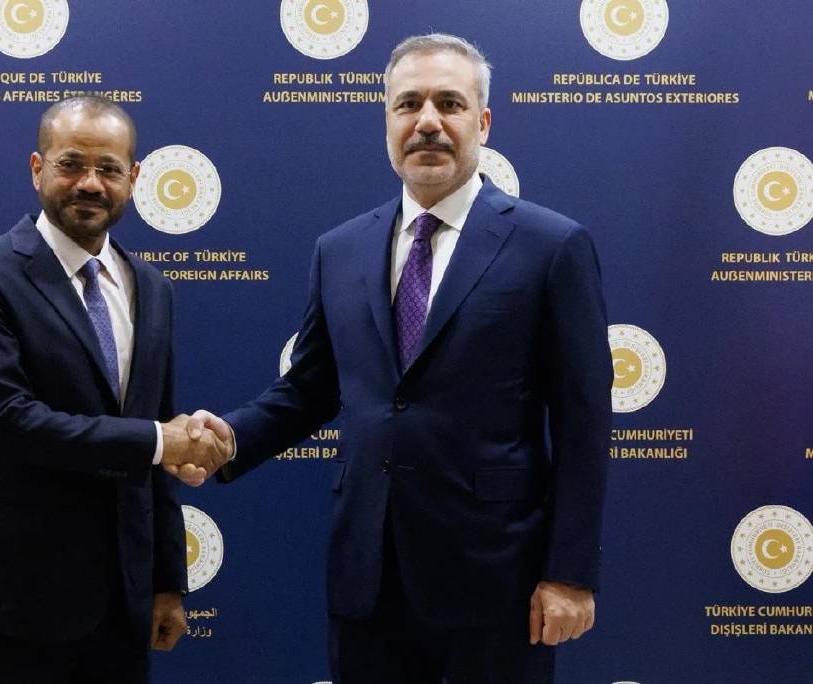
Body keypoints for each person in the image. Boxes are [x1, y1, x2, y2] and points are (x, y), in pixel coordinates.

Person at [184, 34, 612, 683]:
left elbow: (584, 422)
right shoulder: (340, 249)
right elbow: (308, 390)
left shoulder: (551, 246)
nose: (427, 121)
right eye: (408, 104)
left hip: (499, 582)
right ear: (387, 120)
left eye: (450, 104)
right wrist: (229, 440)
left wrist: (570, 574)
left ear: (483, 122)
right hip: (368, 579)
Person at [0, 95, 229, 684]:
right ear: (37, 168)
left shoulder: (152, 288)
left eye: (109, 169)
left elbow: (159, 437)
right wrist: (159, 441)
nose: (90, 183)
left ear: (134, 178)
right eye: (71, 164)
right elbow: (5, 422)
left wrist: (167, 582)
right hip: (18, 602)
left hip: (124, 603)